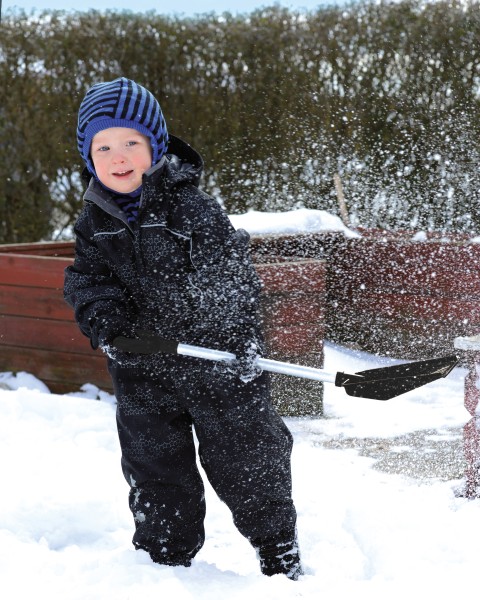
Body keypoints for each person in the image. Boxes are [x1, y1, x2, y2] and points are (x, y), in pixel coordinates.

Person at [64, 77, 303, 580]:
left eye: (131, 142)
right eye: (102, 146)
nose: (118, 156)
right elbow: (87, 281)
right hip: (144, 369)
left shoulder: (193, 209)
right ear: (89, 156)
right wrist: (108, 324)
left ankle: (278, 548)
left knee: (249, 462)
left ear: (155, 145)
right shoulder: (93, 219)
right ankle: (164, 563)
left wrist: (235, 338)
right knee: (155, 473)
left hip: (217, 366)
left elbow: (233, 280)